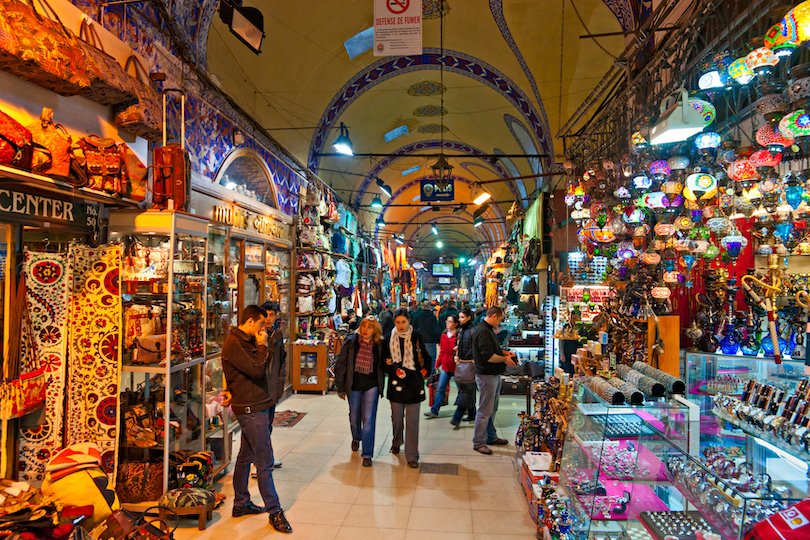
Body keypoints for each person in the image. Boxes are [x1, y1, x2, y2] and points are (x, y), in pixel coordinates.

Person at [222, 305, 292, 533]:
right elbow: (256, 370)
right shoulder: (235, 343)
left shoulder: (244, 340)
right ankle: (275, 511)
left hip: (256, 404)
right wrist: (262, 346)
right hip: (251, 409)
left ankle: (241, 503)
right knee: (265, 461)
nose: (265, 327)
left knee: (245, 456)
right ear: (251, 321)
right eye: (262, 323)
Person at [384, 309, 432, 468]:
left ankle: (412, 455)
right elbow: (385, 361)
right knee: (396, 419)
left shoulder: (416, 336)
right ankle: (397, 441)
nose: (400, 325)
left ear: (409, 321)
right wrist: (392, 369)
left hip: (414, 382)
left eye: (403, 322)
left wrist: (425, 370)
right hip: (396, 382)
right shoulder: (389, 338)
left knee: (412, 421)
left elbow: (425, 356)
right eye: (397, 322)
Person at [334, 318, 385, 467]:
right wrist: (340, 386)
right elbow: (341, 363)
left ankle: (367, 454)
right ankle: (356, 437)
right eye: (363, 326)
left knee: (368, 419)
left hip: (372, 385)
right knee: (354, 417)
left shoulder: (379, 345)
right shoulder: (351, 342)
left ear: (374, 330)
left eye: (369, 327)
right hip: (354, 385)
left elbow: (384, 365)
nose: (366, 330)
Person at [471, 306, 517, 455]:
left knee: (491, 408)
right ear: (494, 316)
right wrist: (505, 359)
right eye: (500, 319)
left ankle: (490, 436)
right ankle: (478, 442)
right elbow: (488, 356)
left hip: (492, 375)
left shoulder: (487, 329)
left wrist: (504, 352)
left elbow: (492, 350)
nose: (500, 323)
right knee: (485, 410)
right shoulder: (483, 331)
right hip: (486, 376)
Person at [261, 301, 286, 469]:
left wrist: (280, 383)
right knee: (260, 426)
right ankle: (260, 462)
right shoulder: (256, 335)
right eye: (266, 315)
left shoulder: (277, 335)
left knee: (268, 424)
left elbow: (282, 361)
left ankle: (266, 458)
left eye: (272, 315)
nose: (268, 319)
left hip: (272, 386)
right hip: (259, 387)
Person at [425, 314, 458, 418]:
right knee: (440, 388)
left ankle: (464, 407)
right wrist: (437, 364)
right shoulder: (443, 336)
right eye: (447, 321)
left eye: (450, 322)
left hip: (457, 366)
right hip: (445, 366)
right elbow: (442, 352)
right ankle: (434, 410)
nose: (447, 324)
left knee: (462, 389)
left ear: (455, 324)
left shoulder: (458, 336)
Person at [451, 308, 477, 428]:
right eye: (459, 317)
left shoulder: (473, 331)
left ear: (469, 317)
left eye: (462, 317)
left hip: (470, 364)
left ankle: (457, 417)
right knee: (468, 390)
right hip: (462, 364)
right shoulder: (462, 331)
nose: (460, 320)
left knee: (466, 391)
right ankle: (472, 414)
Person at [410, 299, 441, 363]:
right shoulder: (433, 317)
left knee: (421, 361)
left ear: (422, 307)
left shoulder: (417, 317)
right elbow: (436, 330)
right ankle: (432, 373)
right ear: (430, 307)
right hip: (431, 342)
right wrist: (438, 340)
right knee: (431, 361)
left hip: (420, 342)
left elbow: (413, 329)